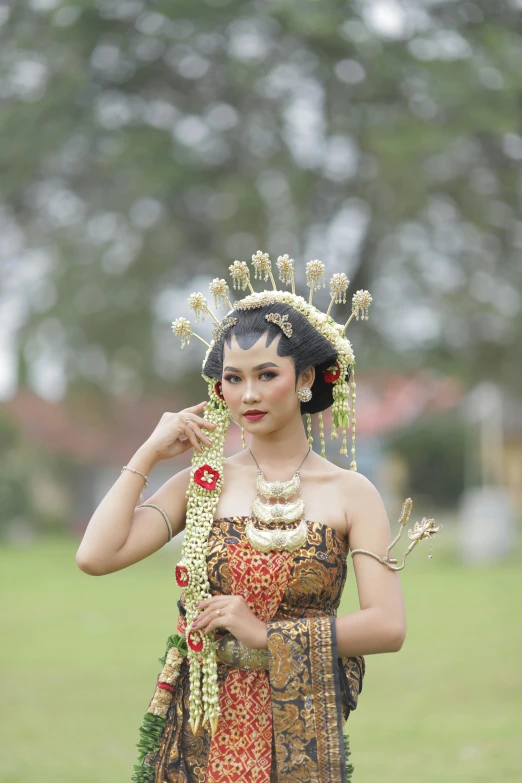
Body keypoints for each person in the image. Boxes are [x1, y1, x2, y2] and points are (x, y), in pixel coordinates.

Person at [76, 254, 440, 783]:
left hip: (299, 733)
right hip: (200, 727)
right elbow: (96, 555)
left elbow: (388, 626)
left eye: (266, 375)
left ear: (306, 379)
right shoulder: (200, 485)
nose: (247, 394)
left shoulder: (350, 493)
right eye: (233, 378)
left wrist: (266, 634)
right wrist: (150, 453)